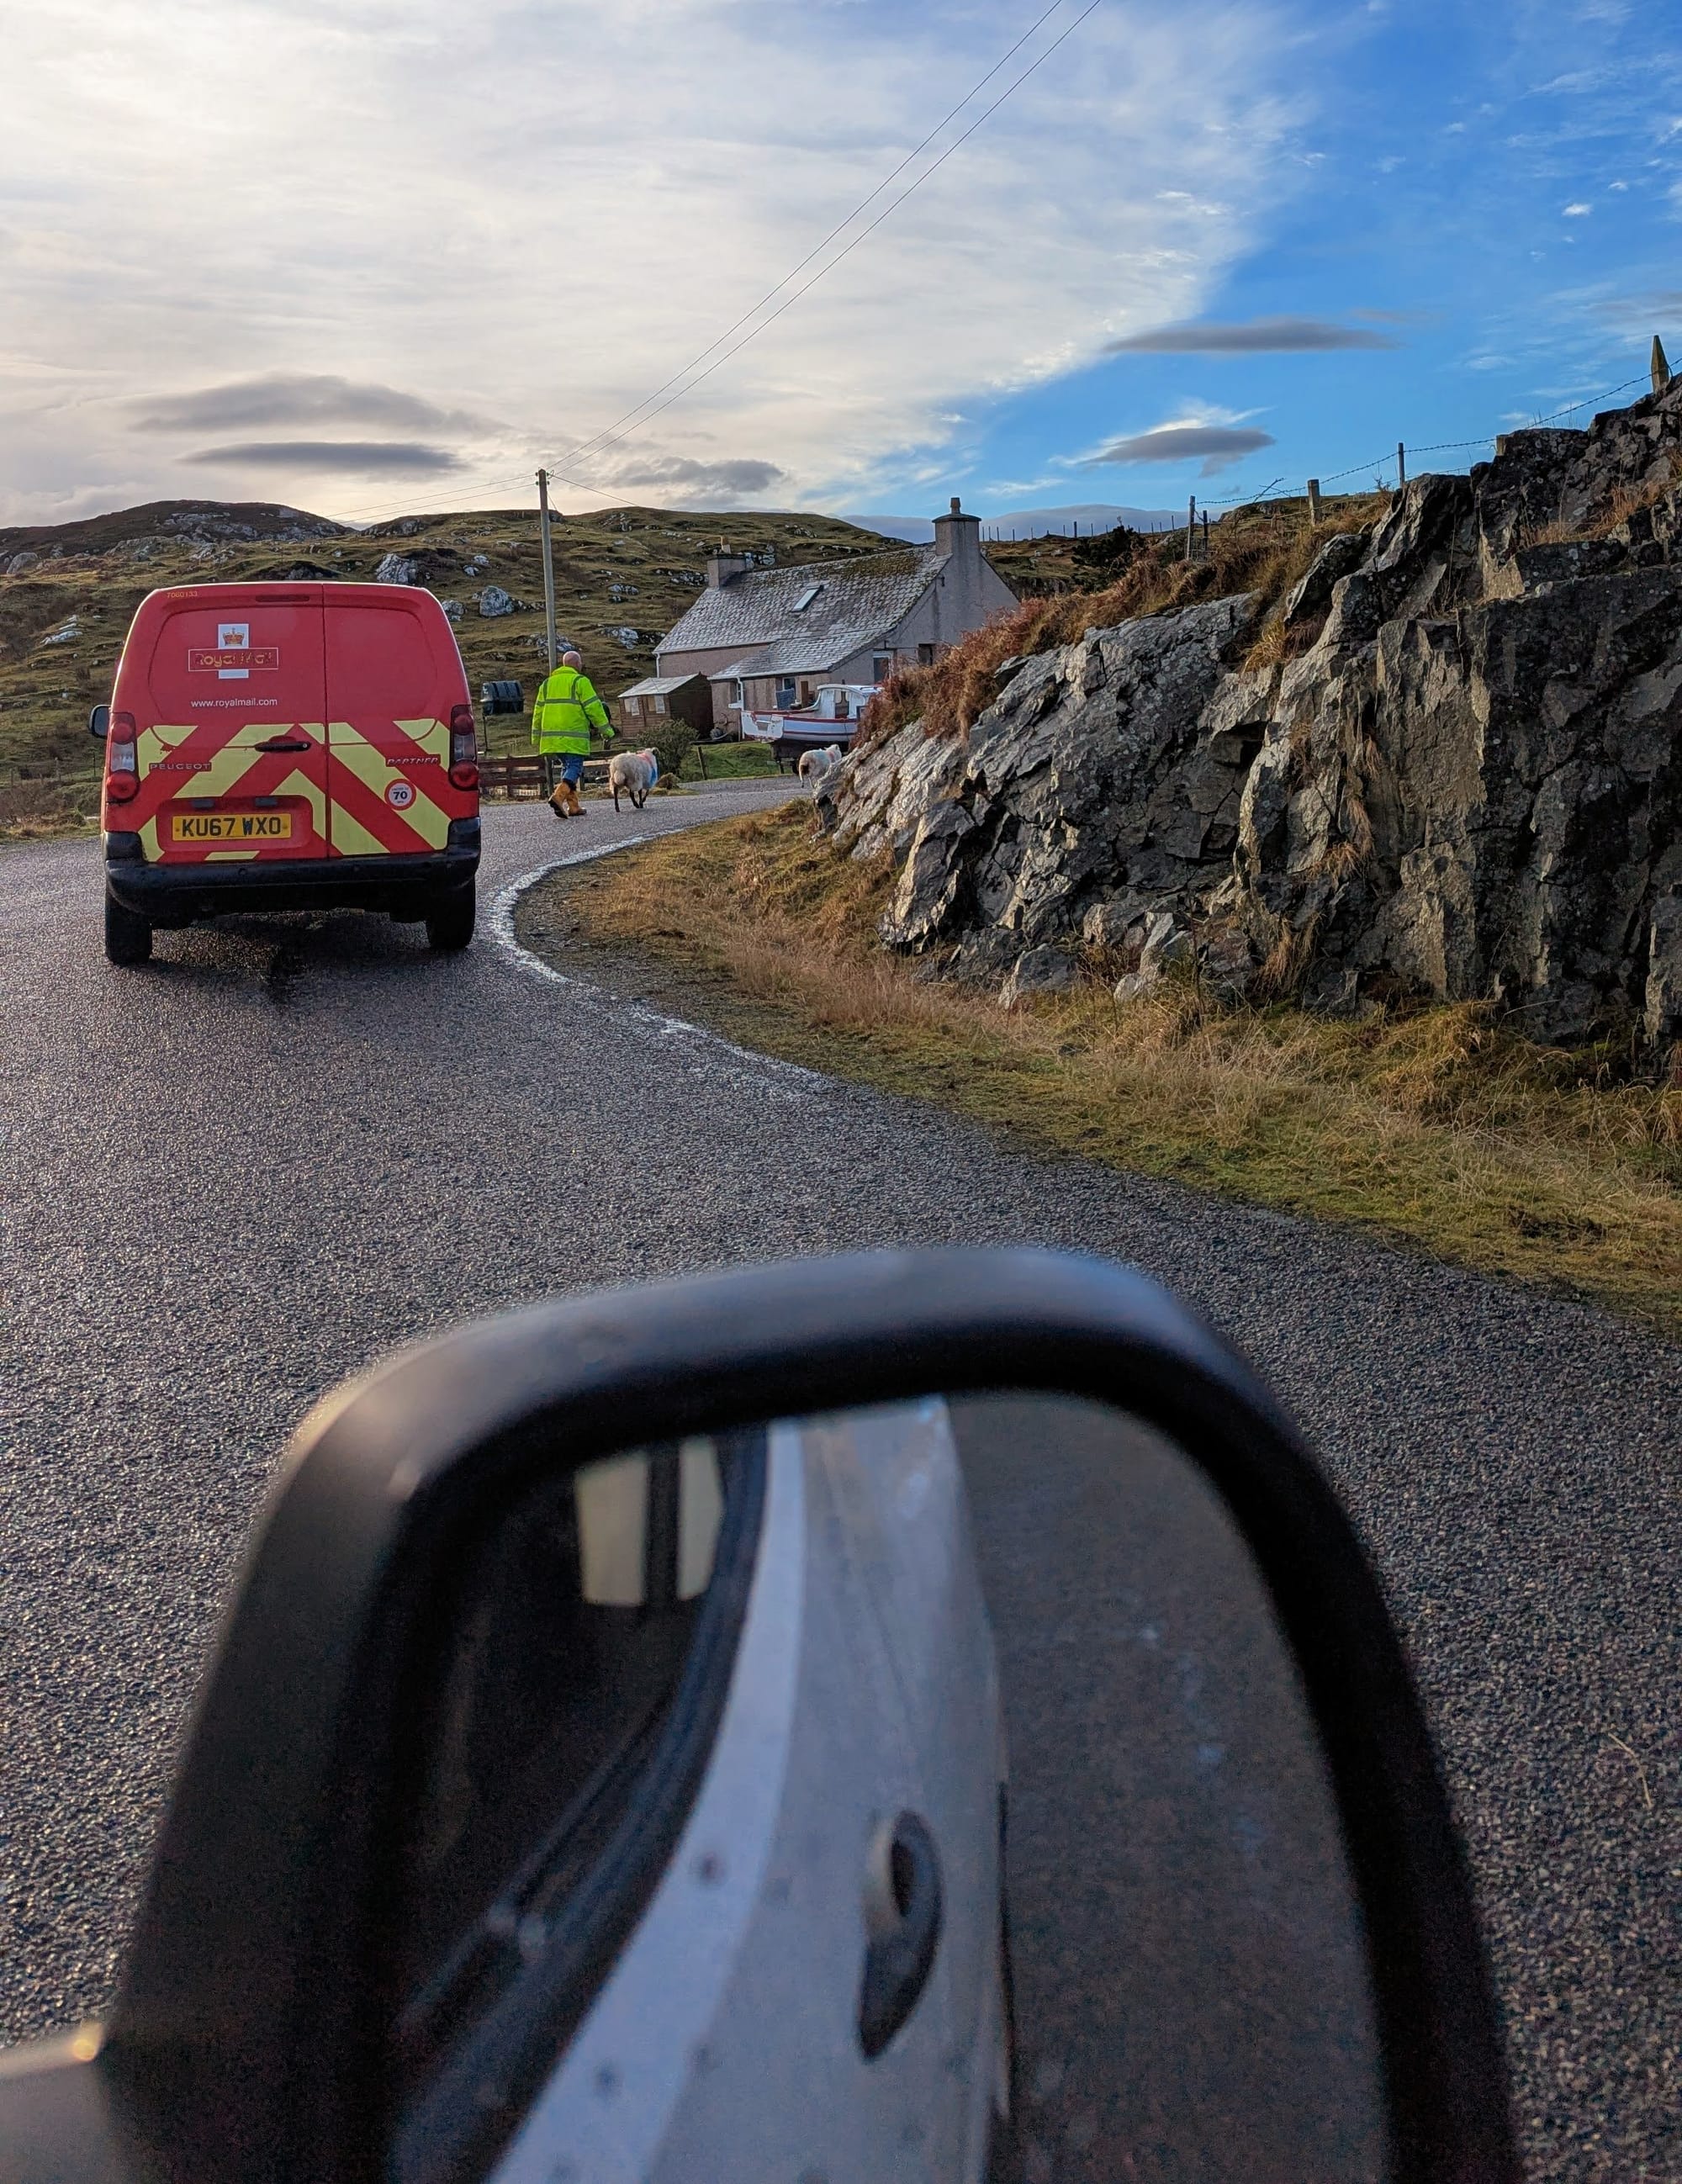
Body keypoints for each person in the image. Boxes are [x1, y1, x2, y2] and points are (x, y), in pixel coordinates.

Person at [532, 648, 612, 817]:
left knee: (567, 767)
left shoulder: (546, 684)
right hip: (573, 736)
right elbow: (594, 708)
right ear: (576, 664)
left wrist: (535, 734)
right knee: (575, 767)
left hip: (552, 739)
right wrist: (606, 730)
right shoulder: (580, 681)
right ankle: (558, 796)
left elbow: (538, 711)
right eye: (580, 663)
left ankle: (574, 806)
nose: (582, 665)